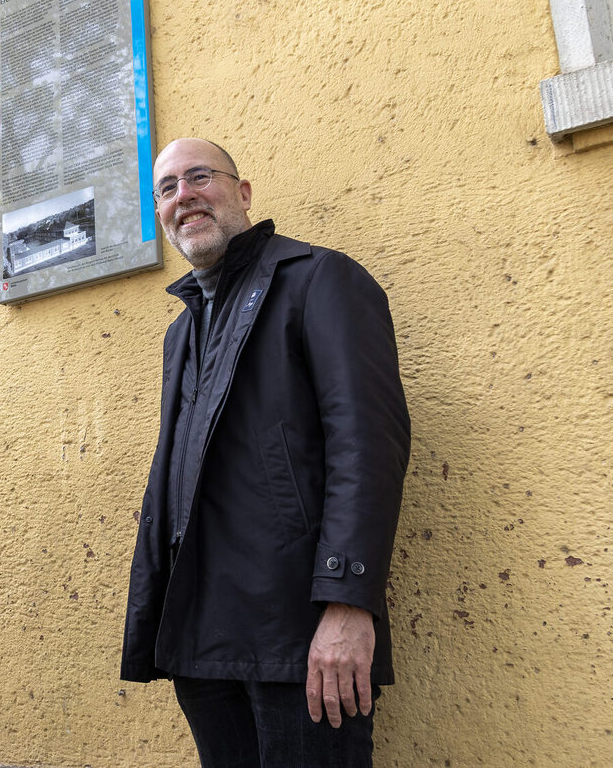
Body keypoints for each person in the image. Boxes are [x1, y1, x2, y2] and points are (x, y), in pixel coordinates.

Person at [121, 138, 410, 767]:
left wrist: (348, 604)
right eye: (166, 189)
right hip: (202, 638)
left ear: (244, 193)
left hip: (300, 636)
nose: (183, 196)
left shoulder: (319, 279)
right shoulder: (182, 329)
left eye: (200, 177)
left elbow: (369, 445)